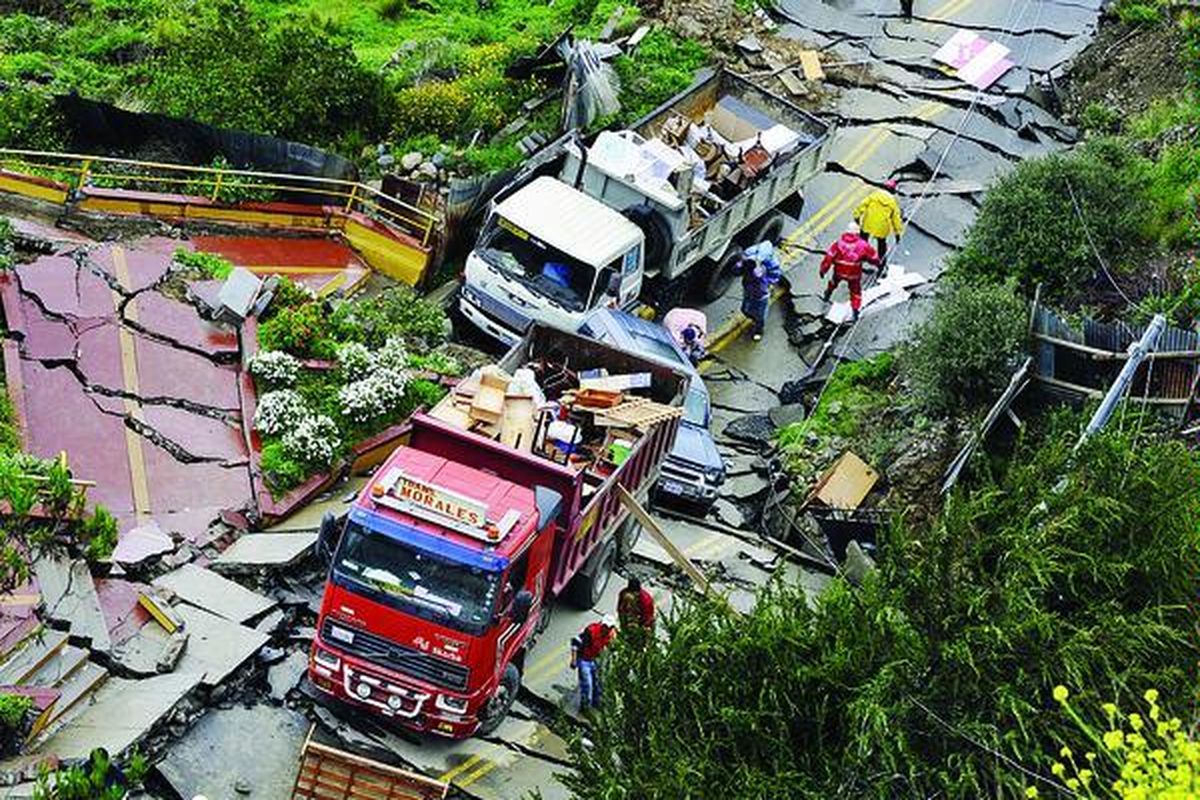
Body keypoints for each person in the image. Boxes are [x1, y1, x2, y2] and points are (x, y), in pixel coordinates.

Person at [820, 223, 880, 321]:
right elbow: (873, 257)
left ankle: (828, 293)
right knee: (855, 292)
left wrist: (823, 270)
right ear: (857, 233)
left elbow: (829, 257)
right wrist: (878, 264)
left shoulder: (838, 243)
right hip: (854, 274)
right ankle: (855, 311)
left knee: (834, 282)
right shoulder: (863, 245)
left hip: (839, 271)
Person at [734, 241, 783, 342]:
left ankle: (759, 330)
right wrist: (738, 266)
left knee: (759, 315)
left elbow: (768, 280)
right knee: (745, 310)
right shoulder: (748, 264)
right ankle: (753, 319)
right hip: (748, 290)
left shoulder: (761, 271)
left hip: (760, 295)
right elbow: (736, 273)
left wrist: (763, 280)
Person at [570, 615, 617, 712]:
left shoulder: (611, 635)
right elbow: (575, 642)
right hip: (584, 659)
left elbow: (612, 648)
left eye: (610, 628)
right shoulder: (591, 631)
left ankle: (597, 703)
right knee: (587, 684)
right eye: (605, 627)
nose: (607, 629)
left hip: (595, 659)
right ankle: (585, 707)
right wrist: (574, 660)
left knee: (598, 683)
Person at [853, 179, 904, 267]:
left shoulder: (874, 195)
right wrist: (898, 233)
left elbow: (862, 205)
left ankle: (860, 256)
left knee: (863, 239)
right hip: (882, 227)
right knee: (881, 244)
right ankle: (881, 262)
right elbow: (896, 219)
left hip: (868, 223)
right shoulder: (892, 202)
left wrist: (857, 216)